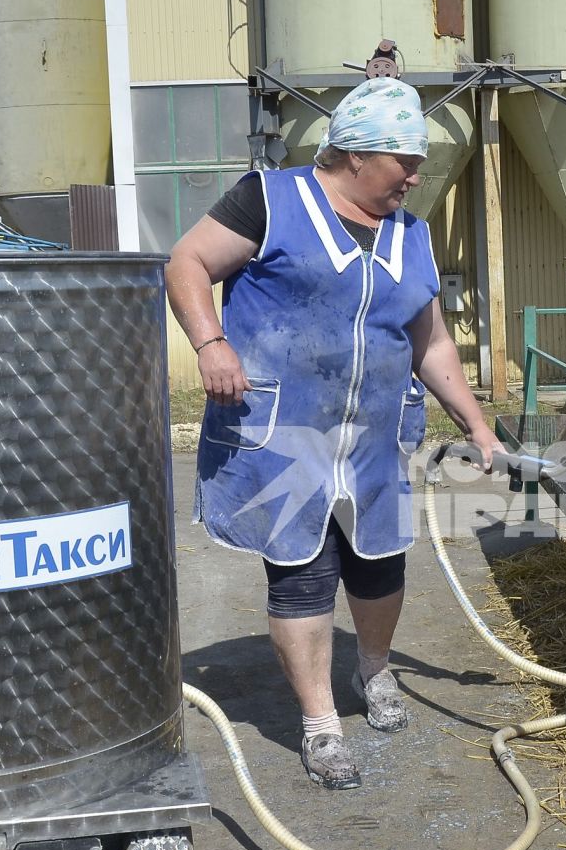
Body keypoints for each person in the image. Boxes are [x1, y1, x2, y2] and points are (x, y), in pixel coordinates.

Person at [164, 76, 501, 789]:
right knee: (303, 573)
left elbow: (430, 340)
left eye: (418, 161)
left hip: (375, 437)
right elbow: (186, 262)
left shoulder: (412, 234)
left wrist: (477, 425)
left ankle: (373, 669)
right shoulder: (270, 199)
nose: (416, 175)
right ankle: (320, 723)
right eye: (403, 161)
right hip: (287, 434)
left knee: (381, 565)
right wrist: (209, 342)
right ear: (353, 154)